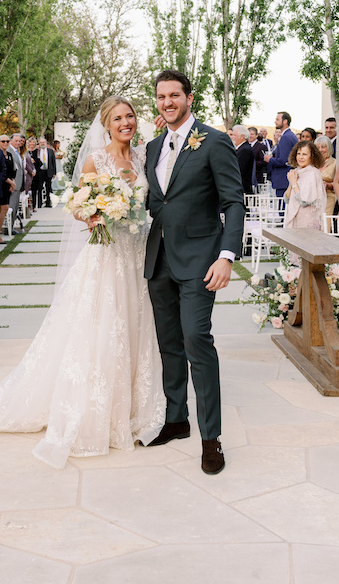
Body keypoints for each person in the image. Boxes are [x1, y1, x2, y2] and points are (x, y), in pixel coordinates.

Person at [0, 96, 166, 467]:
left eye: (130, 117)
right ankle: (99, 412)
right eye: (117, 118)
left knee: (134, 325)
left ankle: (134, 405)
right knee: (102, 328)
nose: (125, 123)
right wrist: (94, 217)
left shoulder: (144, 157)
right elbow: (78, 205)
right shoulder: (98, 159)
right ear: (106, 123)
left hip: (137, 254)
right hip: (107, 255)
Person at [145, 70, 244, 476]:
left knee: (196, 341)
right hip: (159, 260)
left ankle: (211, 438)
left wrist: (226, 256)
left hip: (202, 261)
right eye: (161, 96)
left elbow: (233, 202)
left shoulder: (214, 140)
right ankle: (176, 419)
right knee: (169, 343)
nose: (167, 102)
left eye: (174, 95)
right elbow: (155, 203)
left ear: (188, 98)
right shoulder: (152, 147)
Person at [283, 141, 326, 236]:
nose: (301, 157)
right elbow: (286, 199)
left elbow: (304, 201)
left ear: (312, 156)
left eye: (305, 154)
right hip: (295, 219)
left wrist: (294, 183)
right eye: (298, 154)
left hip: (307, 221)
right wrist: (291, 182)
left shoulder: (313, 173)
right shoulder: (297, 171)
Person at [263, 111, 297, 198]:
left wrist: (269, 159)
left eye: (277, 119)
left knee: (282, 209)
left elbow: (284, 161)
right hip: (285, 180)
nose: (275, 122)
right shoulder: (290, 135)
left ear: (285, 121)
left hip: (283, 180)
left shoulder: (286, 137)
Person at [0, 135, 16, 241]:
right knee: (3, 209)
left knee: (5, 209)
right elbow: (0, 172)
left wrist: (13, 182)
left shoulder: (9, 155)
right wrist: (10, 182)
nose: (5, 143)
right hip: (0, 184)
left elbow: (12, 170)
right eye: (3, 141)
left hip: (8, 185)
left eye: (7, 141)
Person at [315, 134, 337, 220]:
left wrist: (327, 185)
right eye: (317, 147)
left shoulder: (335, 163)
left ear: (329, 148)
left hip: (328, 199)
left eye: (323, 147)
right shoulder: (311, 164)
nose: (320, 150)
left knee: (325, 227)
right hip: (312, 200)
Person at [232, 125, 255, 194]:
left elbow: (239, 170)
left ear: (242, 136)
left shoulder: (245, 150)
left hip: (241, 190)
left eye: (234, 135)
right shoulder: (242, 148)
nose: (233, 137)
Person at [38, 137, 56, 207]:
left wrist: (54, 172)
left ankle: (48, 203)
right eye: (41, 142)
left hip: (49, 171)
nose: (42, 144)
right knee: (39, 188)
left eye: (43, 142)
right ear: (39, 144)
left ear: (46, 143)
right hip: (40, 172)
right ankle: (39, 203)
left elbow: (53, 162)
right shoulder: (37, 151)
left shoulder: (50, 151)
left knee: (48, 188)